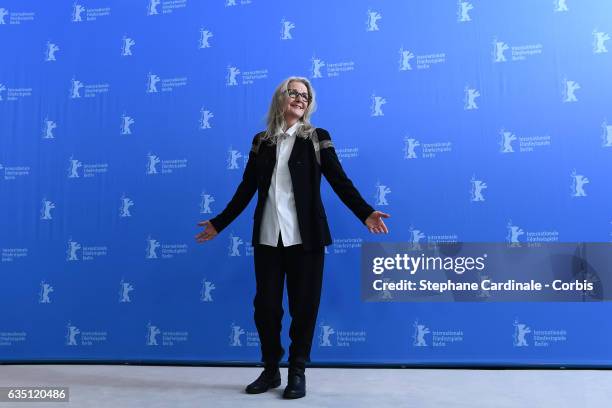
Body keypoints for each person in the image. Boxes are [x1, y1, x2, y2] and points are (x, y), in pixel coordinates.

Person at [195, 76, 390, 399]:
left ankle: (297, 370)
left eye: (306, 95)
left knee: (304, 307)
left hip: (306, 238)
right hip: (269, 237)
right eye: (294, 93)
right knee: (266, 308)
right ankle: (271, 370)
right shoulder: (262, 141)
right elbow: (246, 189)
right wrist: (219, 223)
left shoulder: (316, 138)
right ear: (280, 98)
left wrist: (365, 212)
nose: (300, 99)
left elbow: (340, 181)